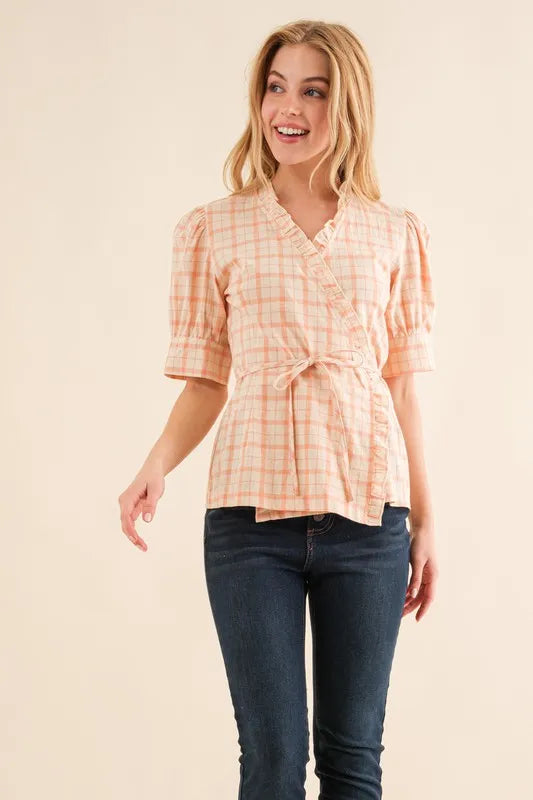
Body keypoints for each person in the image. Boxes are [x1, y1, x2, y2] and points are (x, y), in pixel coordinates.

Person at [118, 18, 439, 800]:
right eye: (275, 87)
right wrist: (155, 466)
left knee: (353, 760)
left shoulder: (394, 233)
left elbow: (402, 385)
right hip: (248, 519)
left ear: (346, 105)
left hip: (367, 516)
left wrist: (426, 519)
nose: (287, 108)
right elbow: (206, 379)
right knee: (270, 758)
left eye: (313, 91)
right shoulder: (212, 228)